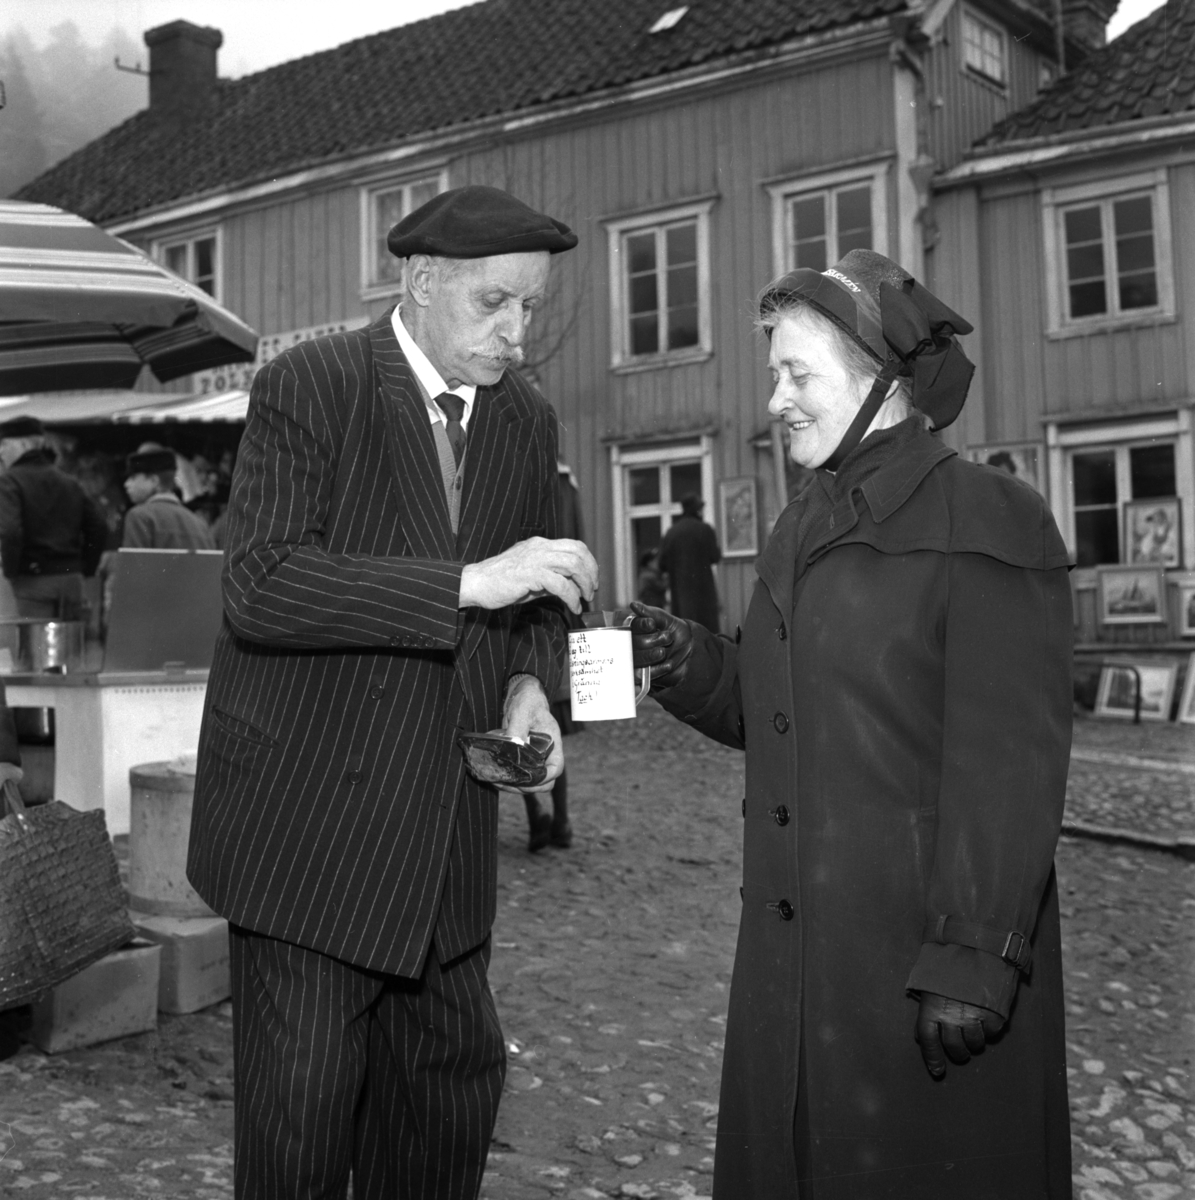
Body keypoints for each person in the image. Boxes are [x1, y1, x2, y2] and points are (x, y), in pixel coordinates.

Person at [631, 249, 1073, 1198]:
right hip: (797, 969)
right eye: (774, 374)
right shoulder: (803, 525)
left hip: (911, 965)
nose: (777, 400)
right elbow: (778, 712)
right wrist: (684, 660)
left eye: (799, 375)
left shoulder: (991, 520)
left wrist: (971, 957)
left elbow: (1010, 764)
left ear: (882, 384)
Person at [187, 185, 597, 1200]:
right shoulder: (312, 384)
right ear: (419, 284)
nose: (515, 332)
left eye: (530, 310)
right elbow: (262, 585)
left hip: (445, 840)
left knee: (445, 1109)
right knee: (302, 1130)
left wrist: (531, 696)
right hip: (307, 837)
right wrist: (464, 583)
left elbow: (532, 608)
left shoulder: (522, 417)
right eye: (494, 304)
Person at [523, 461, 584, 852]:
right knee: (547, 731)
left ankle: (538, 820)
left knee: (512, 729)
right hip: (556, 623)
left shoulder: (512, 474)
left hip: (511, 619)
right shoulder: (565, 484)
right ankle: (558, 820)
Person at [0, 416, 107, 619]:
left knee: (34, 647)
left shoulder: (9, 481)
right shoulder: (68, 481)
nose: (0, 452)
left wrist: (11, 571)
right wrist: (85, 568)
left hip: (33, 581)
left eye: (3, 444)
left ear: (23, 444)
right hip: (72, 580)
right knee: (73, 647)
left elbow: (10, 531)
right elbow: (98, 525)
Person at [121, 447, 217, 550]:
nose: (126, 484)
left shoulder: (139, 516)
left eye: (133, 478)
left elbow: (134, 564)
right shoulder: (200, 524)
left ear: (154, 481)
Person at [658, 492, 720, 631]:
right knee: (708, 634)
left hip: (681, 596)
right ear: (696, 509)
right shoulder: (705, 529)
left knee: (685, 633)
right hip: (704, 594)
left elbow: (661, 564)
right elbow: (715, 556)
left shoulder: (672, 532)